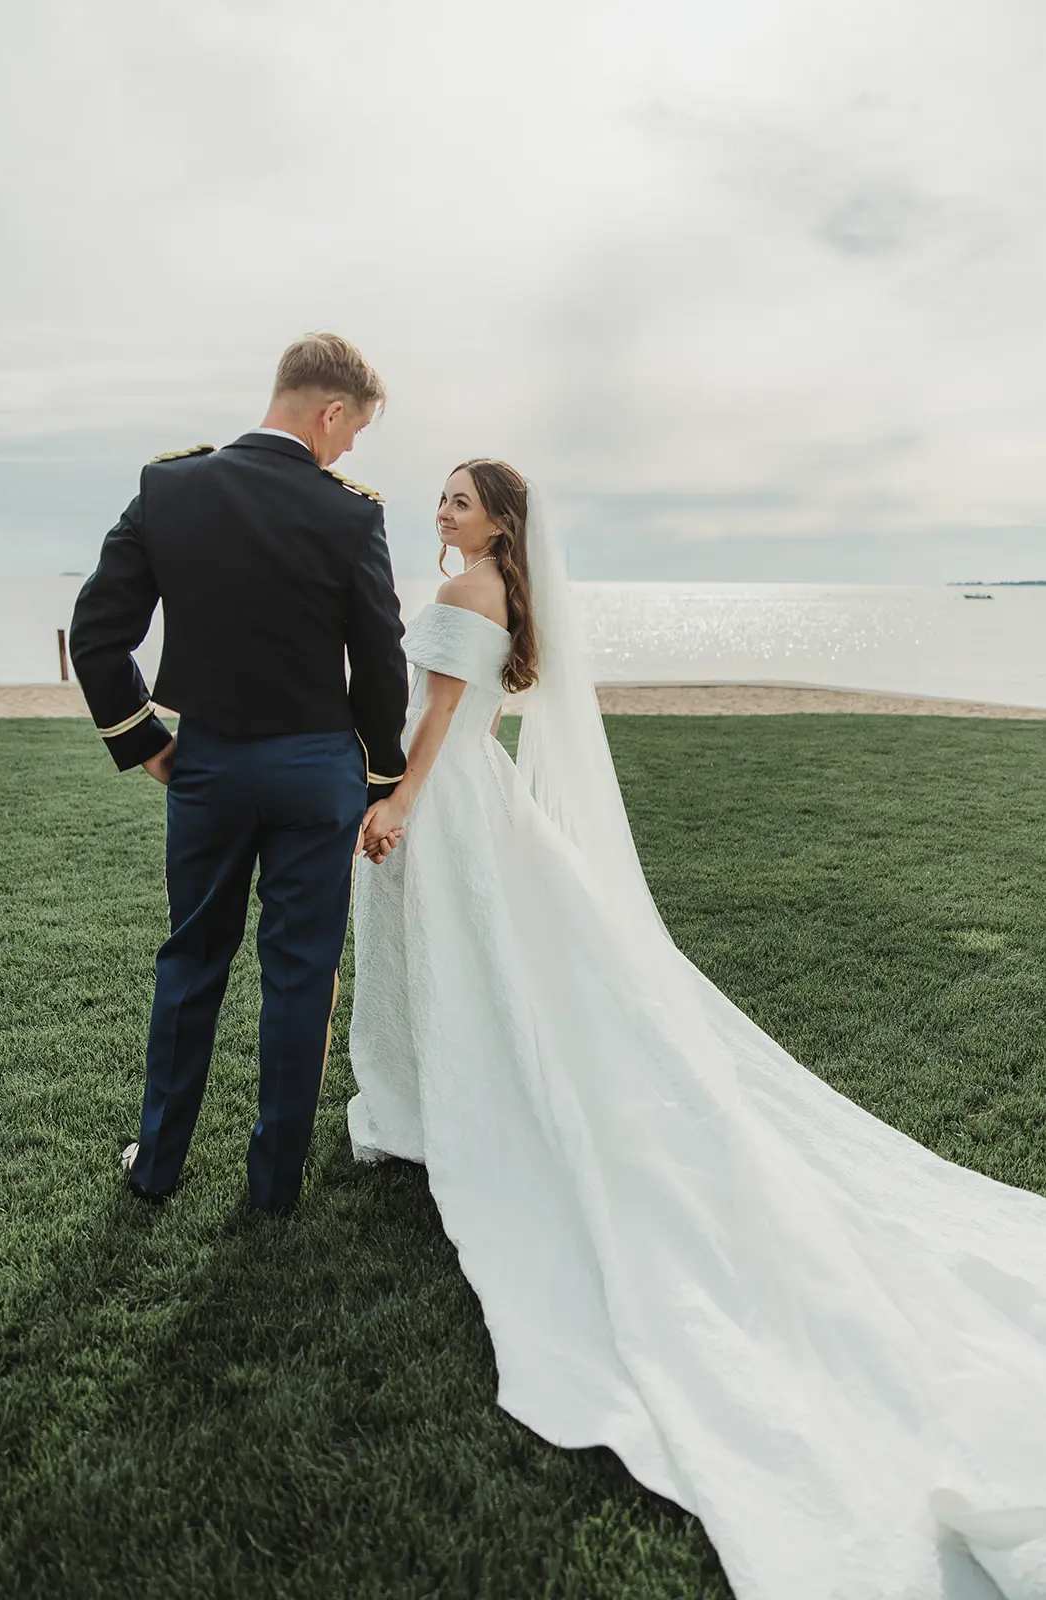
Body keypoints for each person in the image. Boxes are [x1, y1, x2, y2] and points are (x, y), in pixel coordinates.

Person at [348, 458, 1046, 1600]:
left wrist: (401, 800)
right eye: (440, 500)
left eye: (460, 503)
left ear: (501, 524)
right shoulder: (492, 593)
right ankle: (439, 1096)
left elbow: (435, 718)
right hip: (481, 797)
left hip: (454, 800)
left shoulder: (471, 592)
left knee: (474, 968)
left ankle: (450, 1104)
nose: (443, 513)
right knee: (491, 970)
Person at [70, 332, 408, 1214]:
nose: (348, 449)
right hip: (317, 771)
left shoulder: (170, 486)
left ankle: (156, 1168)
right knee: (300, 974)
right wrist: (378, 778)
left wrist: (146, 740)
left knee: (192, 959)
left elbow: (98, 633)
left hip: (209, 762)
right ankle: (273, 1188)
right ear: (331, 411)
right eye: (354, 431)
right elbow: (381, 665)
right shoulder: (350, 512)